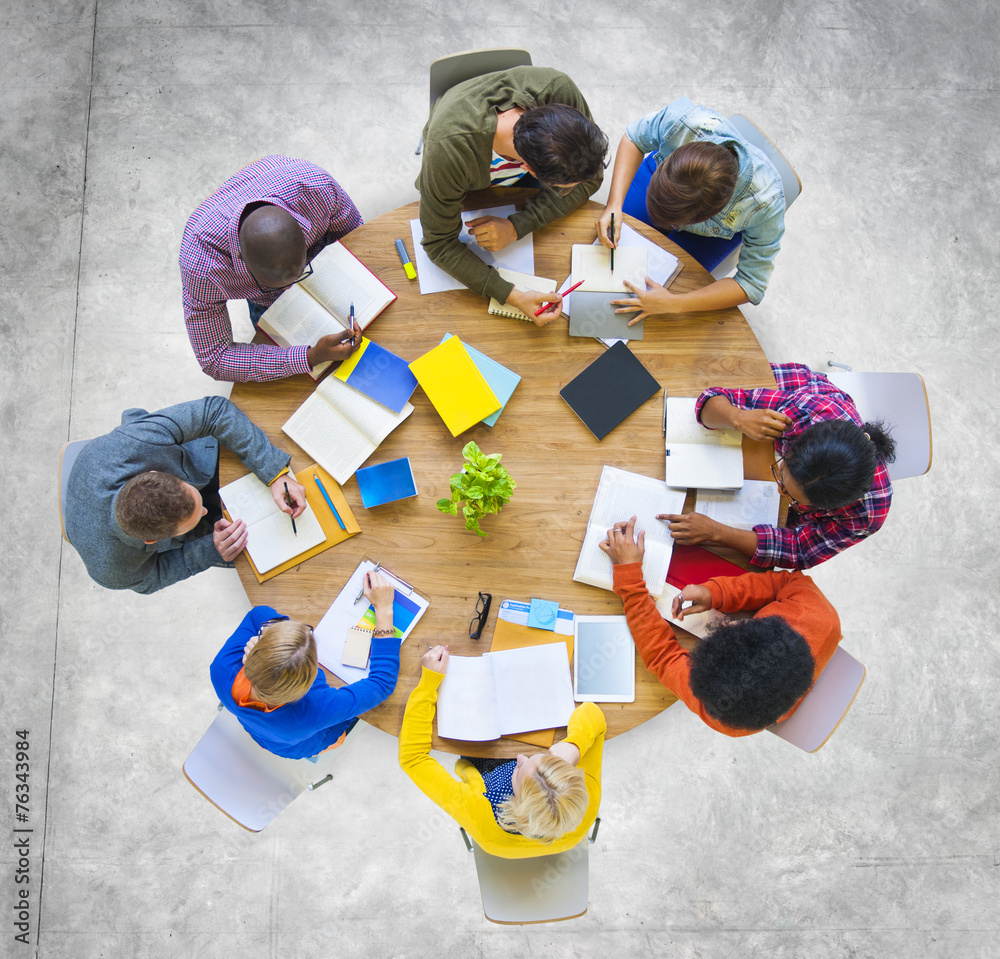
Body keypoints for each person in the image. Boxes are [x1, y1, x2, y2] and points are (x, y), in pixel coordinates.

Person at [600, 517, 842, 736]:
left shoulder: (722, 707)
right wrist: (716, 592)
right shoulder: (818, 612)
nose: (725, 621)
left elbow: (662, 657)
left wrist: (629, 577)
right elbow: (784, 581)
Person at [416, 66, 608, 326]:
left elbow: (593, 177)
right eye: (566, 187)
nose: (574, 188)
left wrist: (517, 226)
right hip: (461, 166)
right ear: (527, 168)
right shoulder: (449, 151)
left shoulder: (561, 91)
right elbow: (439, 245)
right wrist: (511, 295)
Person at [63, 396, 306, 594]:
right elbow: (153, 578)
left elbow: (214, 411)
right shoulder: (113, 570)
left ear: (154, 471)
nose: (205, 512)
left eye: (197, 505)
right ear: (151, 542)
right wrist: (210, 550)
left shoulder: (137, 441)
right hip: (203, 538)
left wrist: (274, 472)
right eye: (197, 515)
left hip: (200, 463)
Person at [663, 363, 896, 569]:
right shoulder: (804, 411)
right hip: (800, 387)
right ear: (794, 444)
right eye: (781, 473)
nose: (777, 489)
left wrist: (718, 532)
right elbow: (712, 397)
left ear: (826, 507)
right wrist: (739, 418)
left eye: (792, 499)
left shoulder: (868, 514)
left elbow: (800, 551)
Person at [399, 645, 605, 857]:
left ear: (517, 804)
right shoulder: (583, 798)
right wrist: (574, 746)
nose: (520, 756)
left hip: (482, 767)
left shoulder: (476, 811)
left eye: (519, 770)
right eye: (544, 757)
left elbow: (413, 759)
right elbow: (592, 712)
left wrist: (427, 684)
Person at [595, 98, 786, 321]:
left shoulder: (766, 204)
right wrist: (614, 205)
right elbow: (634, 138)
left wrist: (674, 303)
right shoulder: (682, 122)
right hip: (667, 190)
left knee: (673, 289)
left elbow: (751, 283)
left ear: (704, 216)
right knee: (609, 238)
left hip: (714, 235)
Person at [180, 154, 363, 382]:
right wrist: (310, 356)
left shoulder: (318, 190)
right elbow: (215, 358)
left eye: (297, 274)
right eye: (274, 285)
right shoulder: (202, 266)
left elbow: (359, 241)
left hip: (324, 260)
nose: (292, 291)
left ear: (303, 228)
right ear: (241, 258)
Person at [210, 571, 399, 759]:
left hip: (268, 736)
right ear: (312, 680)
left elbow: (256, 614)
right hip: (306, 742)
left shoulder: (221, 669)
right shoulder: (316, 709)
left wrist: (274, 639)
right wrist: (383, 609)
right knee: (353, 715)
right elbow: (382, 683)